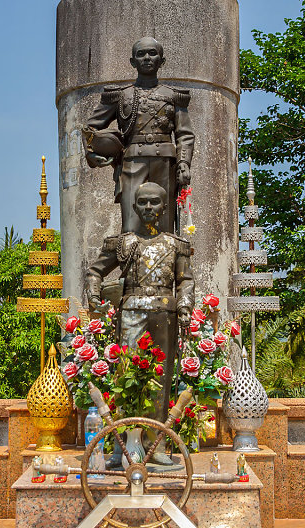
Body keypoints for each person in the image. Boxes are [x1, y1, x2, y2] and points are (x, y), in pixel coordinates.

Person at [84, 182, 194, 464]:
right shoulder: (124, 243)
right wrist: (94, 294)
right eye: (143, 203)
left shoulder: (175, 245)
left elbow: (185, 281)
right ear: (134, 207)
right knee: (126, 378)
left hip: (164, 314)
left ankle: (154, 445)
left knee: (160, 380)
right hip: (131, 312)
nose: (148, 208)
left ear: (164, 207)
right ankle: (123, 445)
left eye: (154, 203)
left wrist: (184, 306)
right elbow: (95, 271)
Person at [84, 37, 195, 234]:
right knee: (131, 227)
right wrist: (92, 153)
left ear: (162, 60)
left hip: (165, 162)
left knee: (165, 226)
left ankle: (166, 264)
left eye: (152, 53)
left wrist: (184, 163)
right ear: (132, 62)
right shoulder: (120, 95)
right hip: (132, 161)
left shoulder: (174, 96)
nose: (147, 58)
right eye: (141, 54)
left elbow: (184, 134)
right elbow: (91, 128)